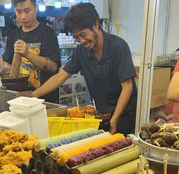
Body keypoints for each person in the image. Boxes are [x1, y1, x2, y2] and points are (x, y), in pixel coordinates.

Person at [32, 3, 137, 135]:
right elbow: (60, 77)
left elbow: (127, 87)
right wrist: (32, 96)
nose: (81, 41)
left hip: (124, 117)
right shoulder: (81, 52)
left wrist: (114, 120)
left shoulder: (118, 46)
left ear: (95, 25)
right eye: (76, 37)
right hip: (102, 116)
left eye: (83, 35)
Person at [0, 0, 61, 103]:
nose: (23, 16)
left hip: (44, 100)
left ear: (36, 8)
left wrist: (27, 54)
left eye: (27, 11)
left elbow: (53, 67)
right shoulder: (13, 35)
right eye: (18, 12)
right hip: (19, 99)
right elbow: (9, 66)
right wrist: (0, 66)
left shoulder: (47, 33)